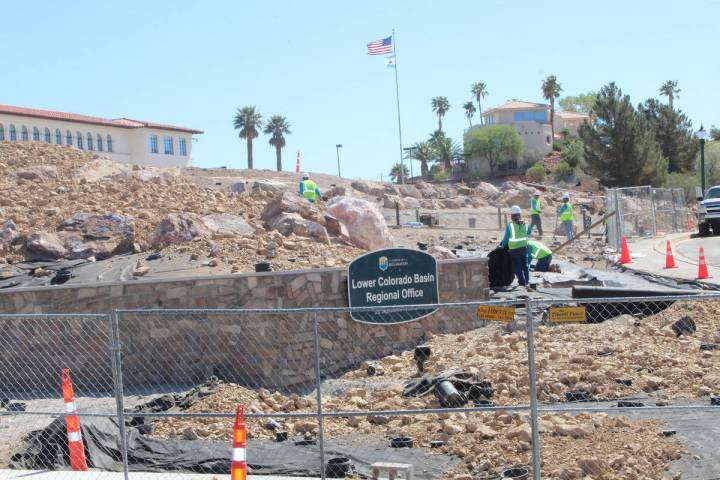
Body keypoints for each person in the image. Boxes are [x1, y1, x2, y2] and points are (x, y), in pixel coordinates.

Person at [500, 205, 529, 288]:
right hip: (524, 247)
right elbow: (529, 232)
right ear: (520, 214)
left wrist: (502, 247)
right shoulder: (526, 224)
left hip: (514, 249)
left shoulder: (510, 225)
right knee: (525, 265)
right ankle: (526, 281)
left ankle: (522, 282)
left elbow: (506, 239)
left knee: (517, 266)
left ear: (512, 215)